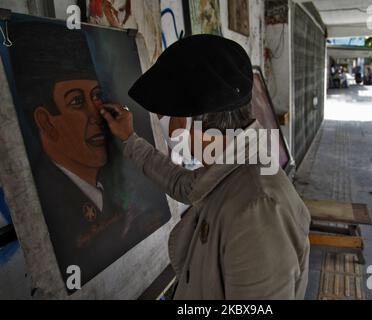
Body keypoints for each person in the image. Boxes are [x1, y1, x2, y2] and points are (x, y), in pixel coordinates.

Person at [101, 35, 311, 299]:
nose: (162, 123)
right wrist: (129, 139)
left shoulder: (257, 210)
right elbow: (186, 185)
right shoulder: (232, 165)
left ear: (194, 121)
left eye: (165, 115)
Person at [9, 21, 170, 288]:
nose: (98, 115)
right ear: (46, 121)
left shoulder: (112, 180)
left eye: (97, 96)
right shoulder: (42, 198)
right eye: (76, 101)